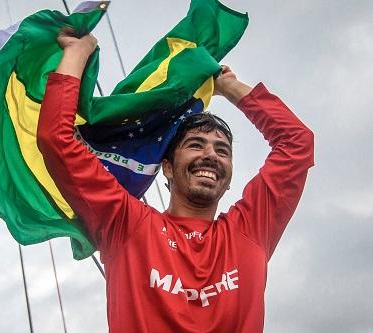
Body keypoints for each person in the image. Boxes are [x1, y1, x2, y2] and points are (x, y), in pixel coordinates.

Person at [37, 31, 314, 333]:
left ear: (229, 177)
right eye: (196, 145)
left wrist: (230, 87)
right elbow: (57, 138)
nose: (211, 155)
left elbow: (297, 144)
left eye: (222, 150)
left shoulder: (250, 229)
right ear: (166, 167)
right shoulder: (124, 223)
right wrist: (77, 53)